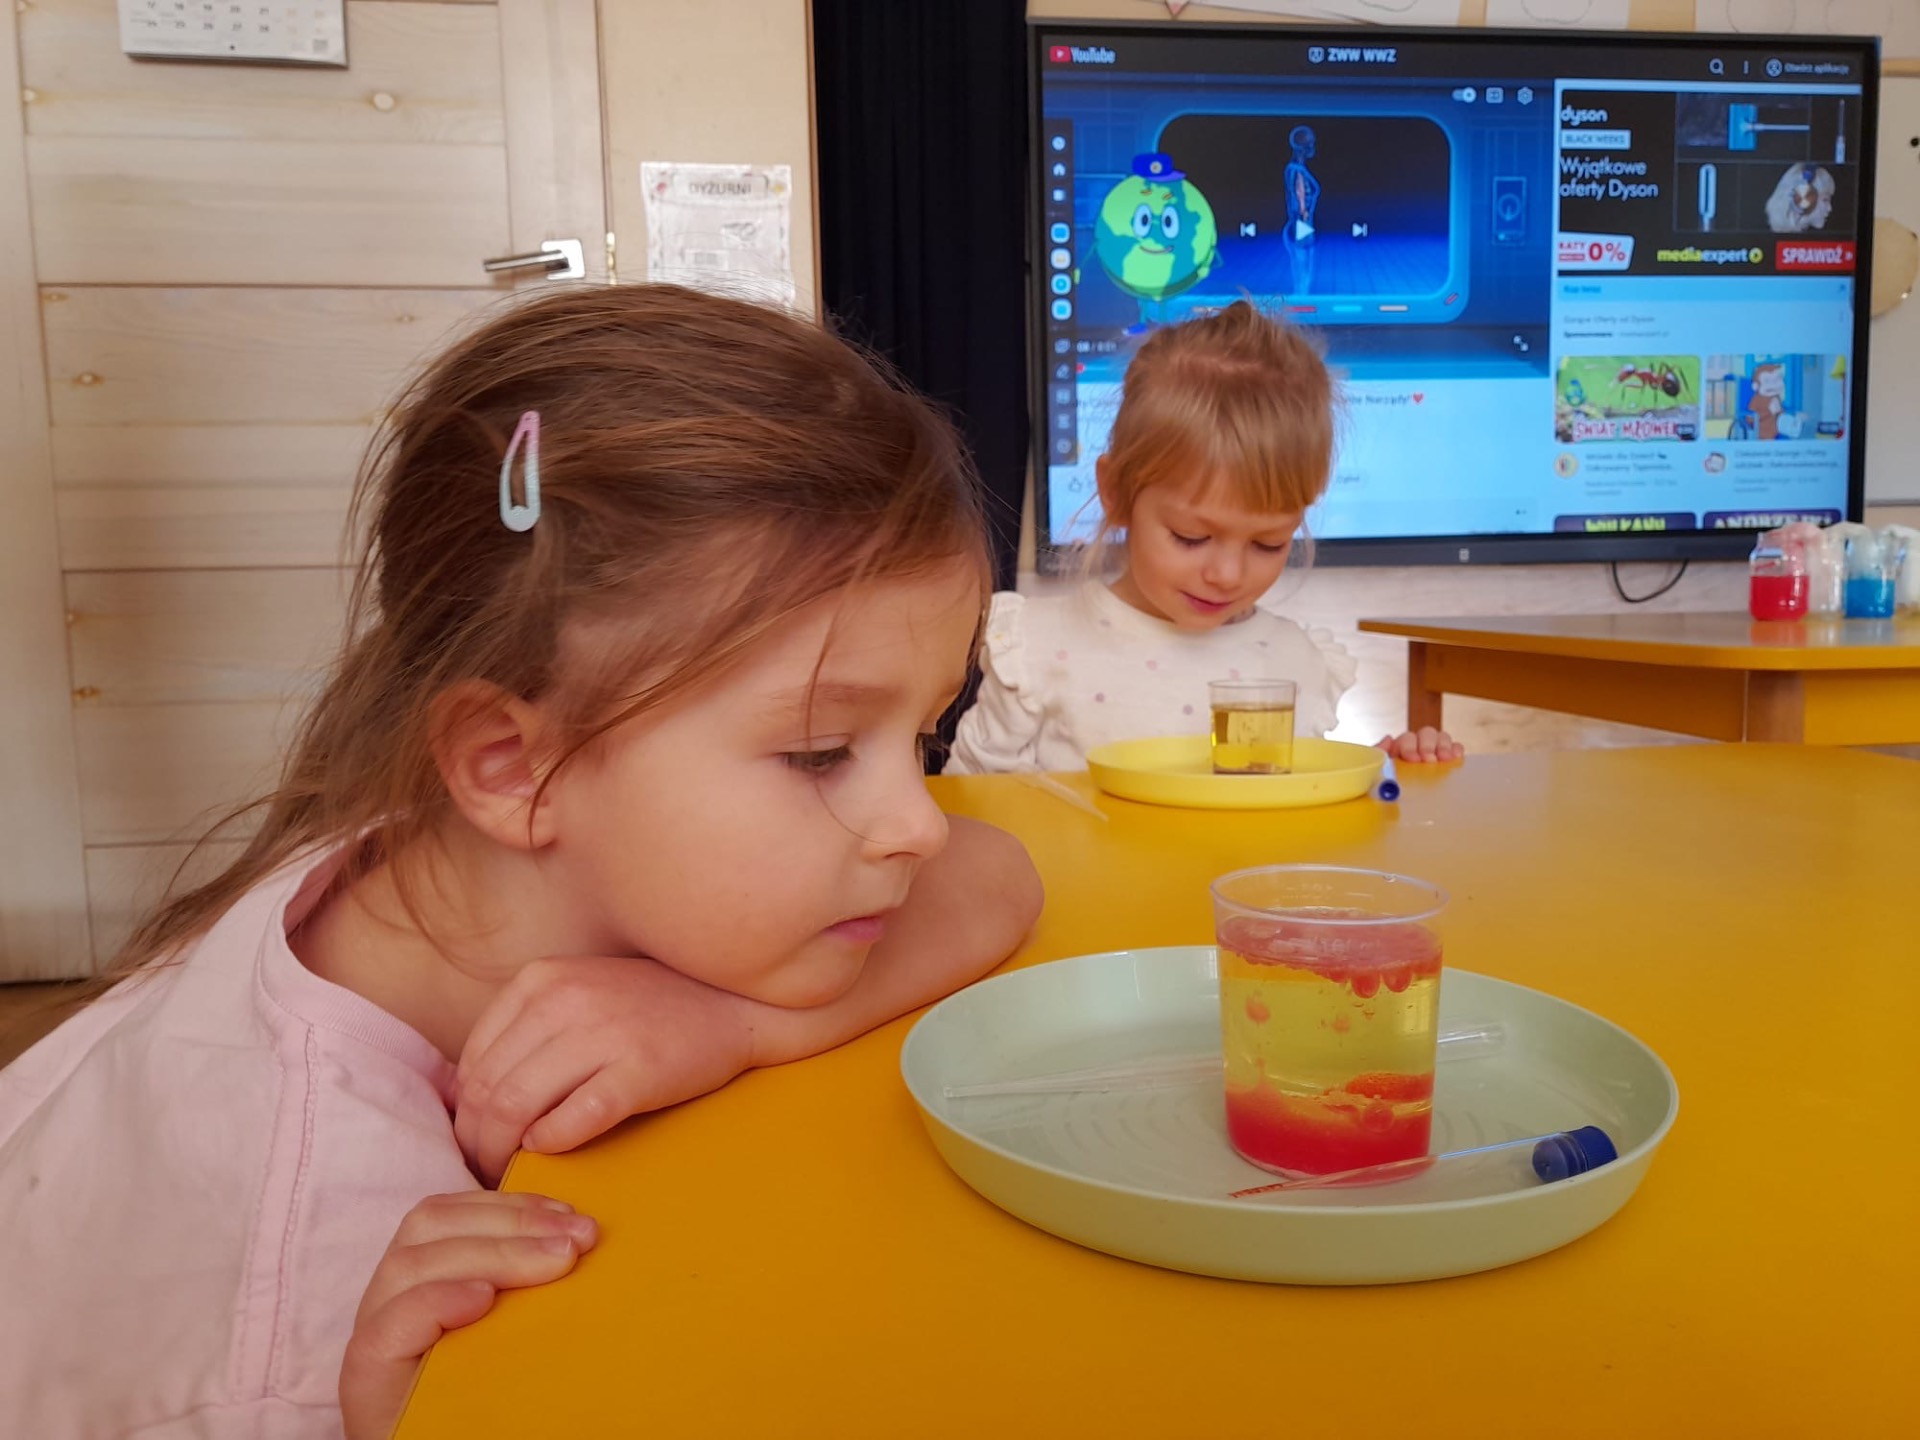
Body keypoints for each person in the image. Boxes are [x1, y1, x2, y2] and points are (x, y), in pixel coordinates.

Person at [0, 285, 1042, 1439]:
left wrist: (735, 1024)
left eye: (925, 736)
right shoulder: (315, 1321)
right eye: (820, 752)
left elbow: (997, 875)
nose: (918, 824)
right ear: (511, 767)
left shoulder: (445, 868)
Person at [947, 302, 1461, 774]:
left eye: (1267, 543)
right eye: (1191, 537)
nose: (1227, 575)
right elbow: (968, 806)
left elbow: (1295, 803)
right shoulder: (1038, 649)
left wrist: (1381, 772)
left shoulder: (1296, 661)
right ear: (1117, 493)